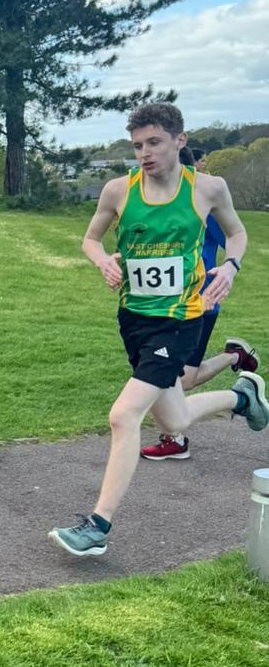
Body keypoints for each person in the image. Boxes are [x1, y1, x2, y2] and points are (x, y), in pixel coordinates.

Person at [49, 102, 268, 556]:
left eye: (154, 143)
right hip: (135, 319)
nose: (144, 154)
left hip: (181, 318)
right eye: (137, 146)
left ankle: (98, 526)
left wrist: (229, 265)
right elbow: (90, 238)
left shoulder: (208, 188)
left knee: (123, 415)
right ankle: (243, 396)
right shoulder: (117, 191)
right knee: (175, 418)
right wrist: (103, 259)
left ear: (178, 141)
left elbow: (238, 233)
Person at [140, 146, 259, 460]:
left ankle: (239, 389)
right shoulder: (150, 199)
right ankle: (234, 361)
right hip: (159, 305)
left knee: (172, 378)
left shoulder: (204, 198)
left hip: (199, 302)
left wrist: (229, 266)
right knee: (175, 378)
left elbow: (234, 237)